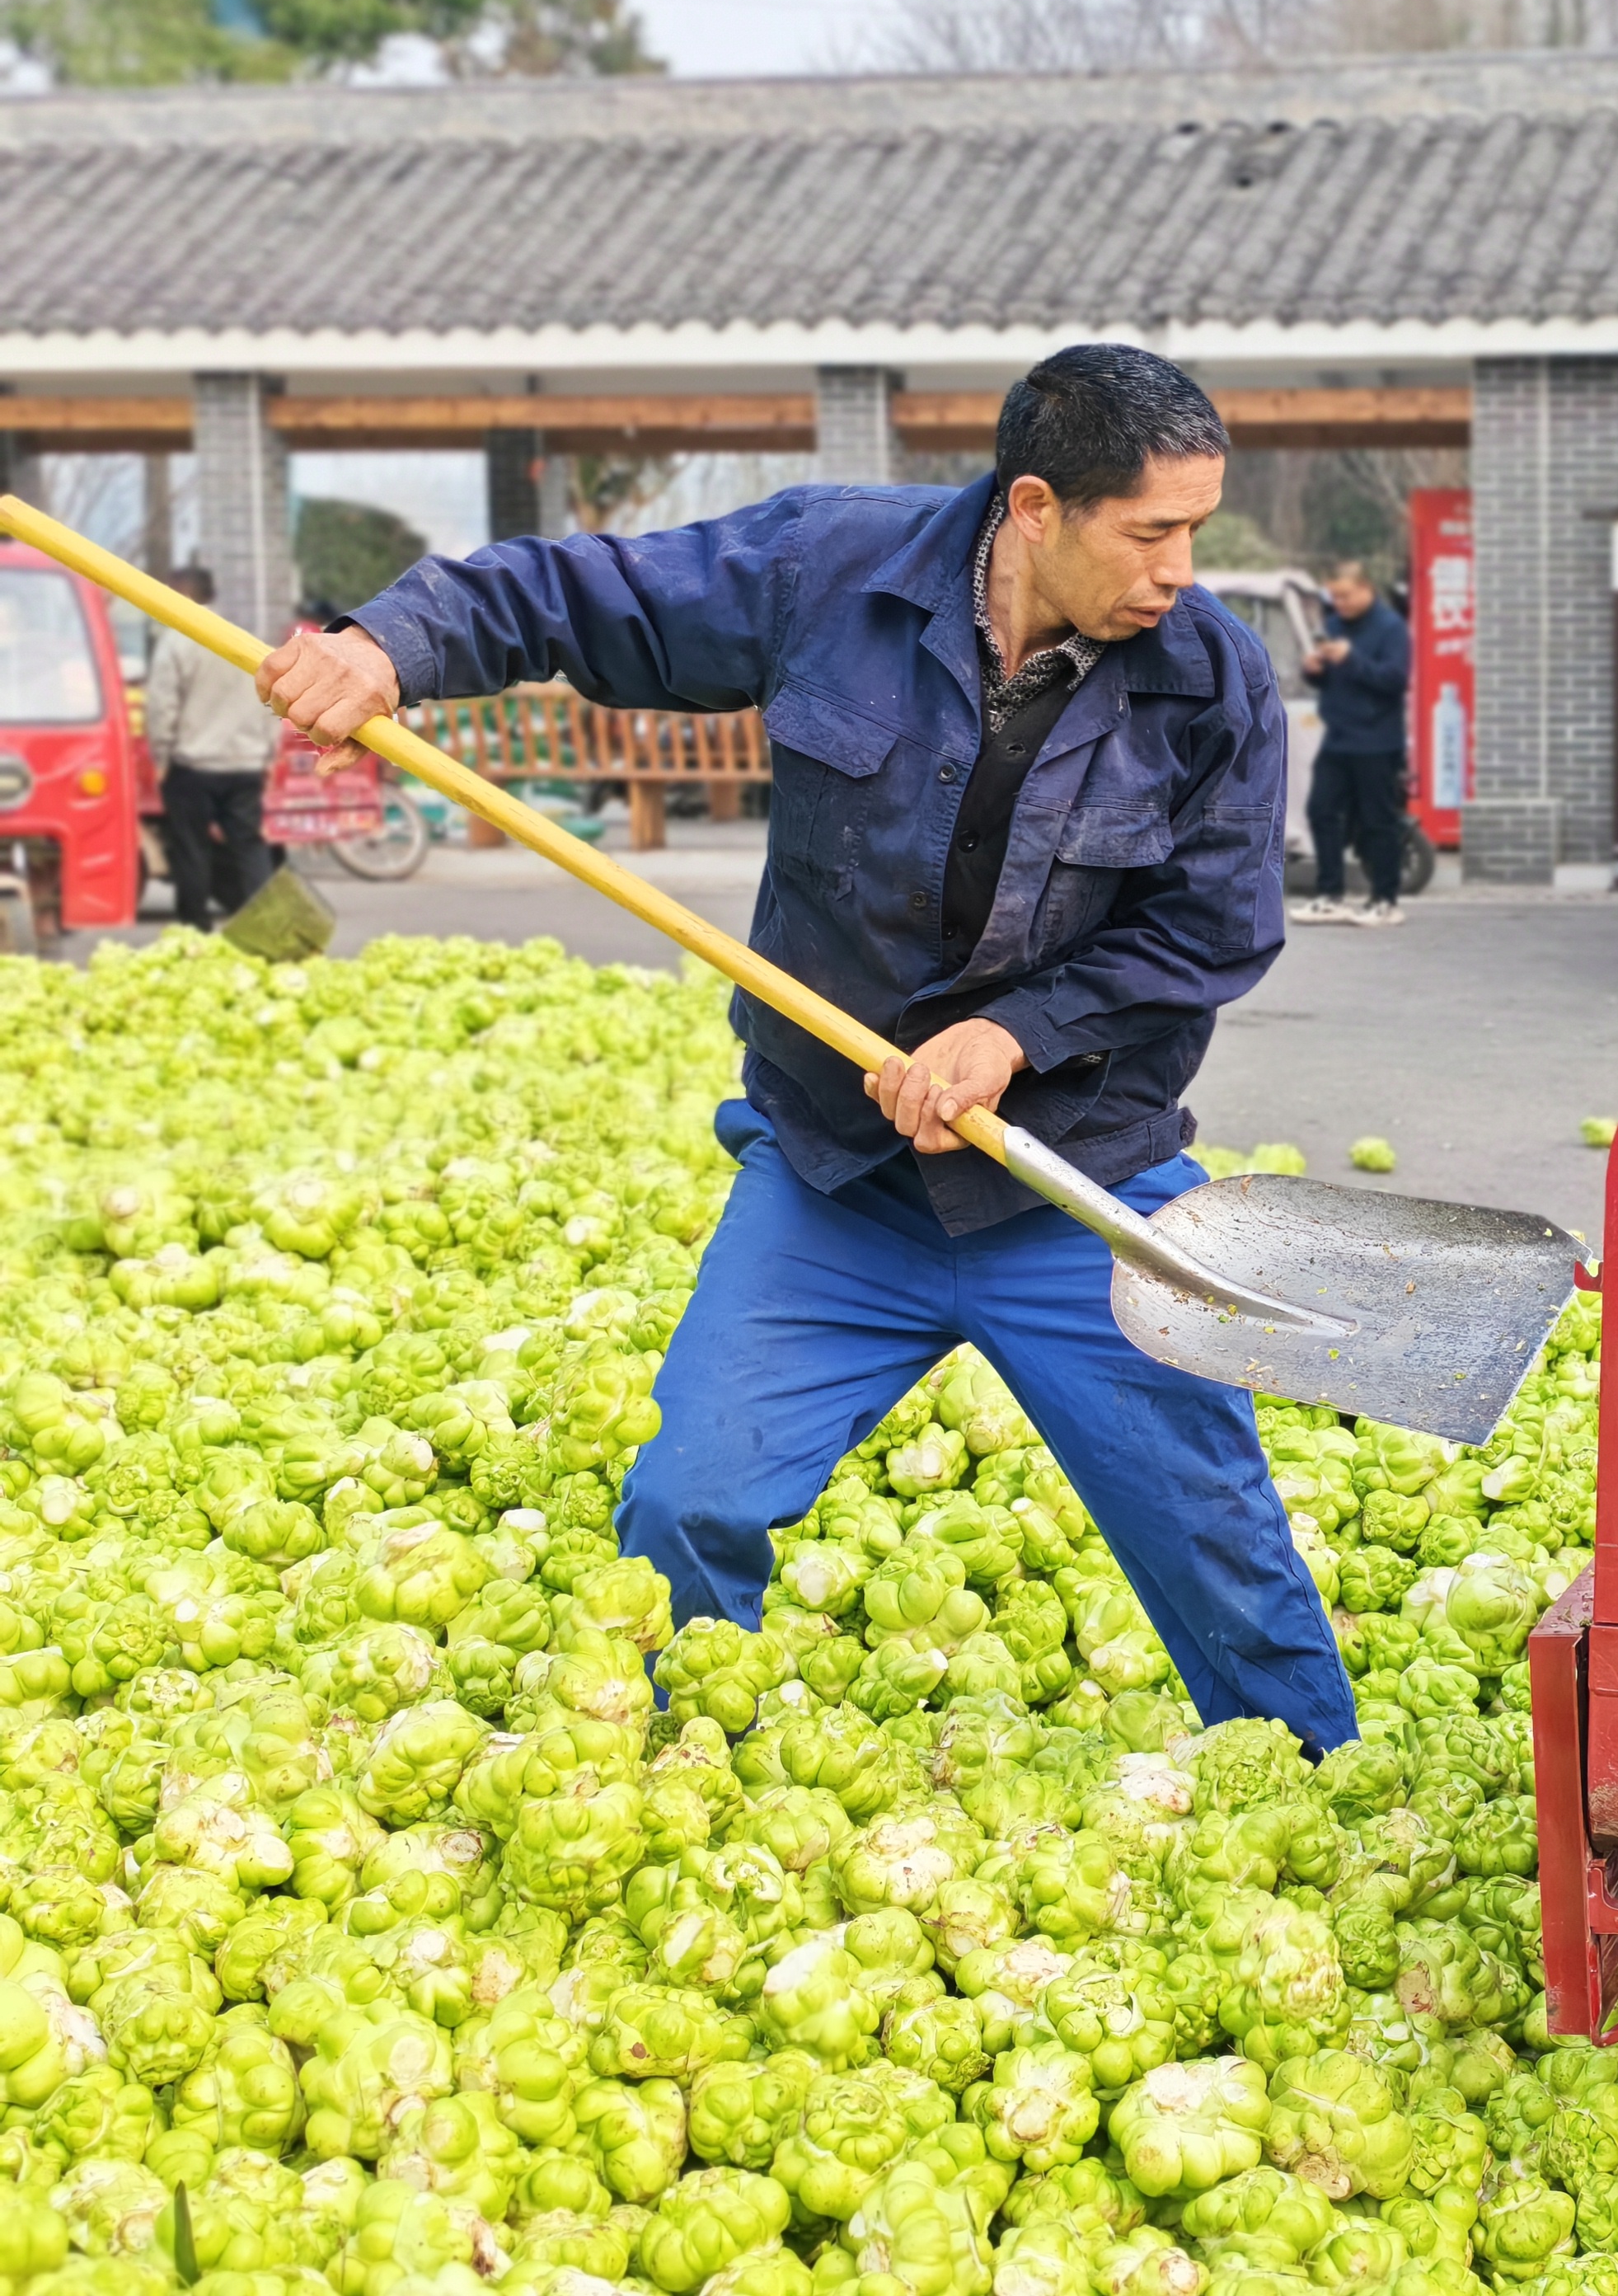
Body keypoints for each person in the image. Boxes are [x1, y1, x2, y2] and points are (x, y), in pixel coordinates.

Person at [254, 344, 1354, 1754]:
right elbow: (580, 597)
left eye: (1194, 530)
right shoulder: (831, 569)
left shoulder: (1210, 682)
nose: (1180, 569)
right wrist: (388, 644)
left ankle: (1318, 1779)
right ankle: (675, 1764)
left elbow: (1212, 933)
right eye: (1152, 532)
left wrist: (1012, 1035)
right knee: (685, 1502)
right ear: (1034, 507)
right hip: (837, 1181)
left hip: (1070, 1185)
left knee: (1218, 1540)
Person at [142, 564, 287, 931]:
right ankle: (267, 928)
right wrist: (267, 753)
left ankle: (196, 932)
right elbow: (273, 699)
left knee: (191, 850)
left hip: (193, 766)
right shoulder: (242, 637)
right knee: (250, 848)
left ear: (181, 593)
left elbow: (162, 705)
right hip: (245, 764)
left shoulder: (176, 640)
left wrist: (161, 756)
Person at [1289, 558, 1411, 927]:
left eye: (1344, 595)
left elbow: (1394, 680)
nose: (1338, 603)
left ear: (1366, 589)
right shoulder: (1333, 626)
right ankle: (1330, 895)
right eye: (1334, 596)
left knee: (1378, 822)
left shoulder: (1391, 629)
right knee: (1321, 812)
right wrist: (1314, 672)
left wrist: (1351, 659)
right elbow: (1331, 682)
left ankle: (1385, 900)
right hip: (1338, 738)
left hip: (1377, 741)